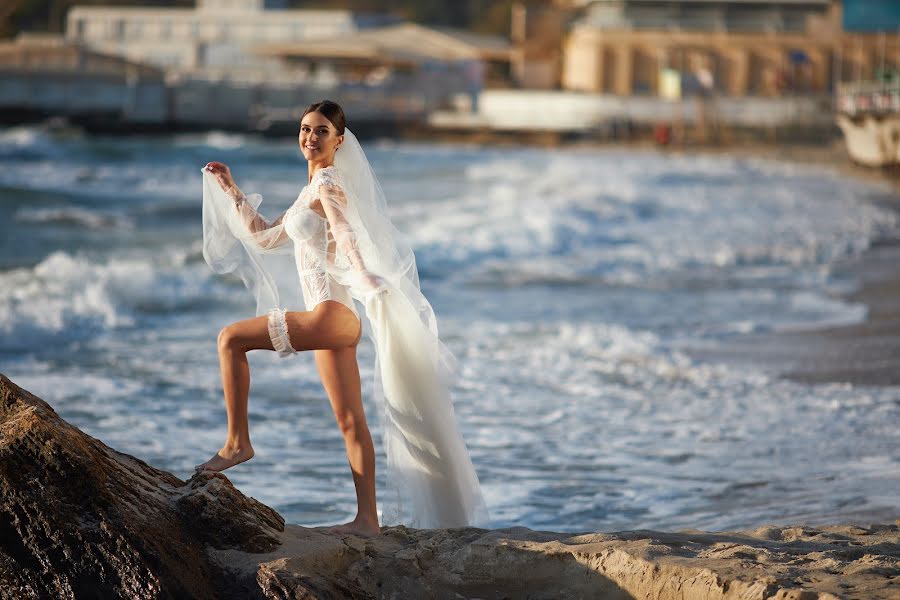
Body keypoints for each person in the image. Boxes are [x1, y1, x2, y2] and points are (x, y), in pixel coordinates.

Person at [197, 100, 490, 536]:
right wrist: (229, 187)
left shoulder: (329, 182)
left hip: (332, 315)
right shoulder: (309, 189)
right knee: (351, 421)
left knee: (229, 339)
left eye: (319, 131)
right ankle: (367, 521)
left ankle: (237, 443)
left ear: (339, 140)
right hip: (337, 322)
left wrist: (365, 272)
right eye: (303, 130)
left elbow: (345, 229)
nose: (309, 138)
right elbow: (262, 237)